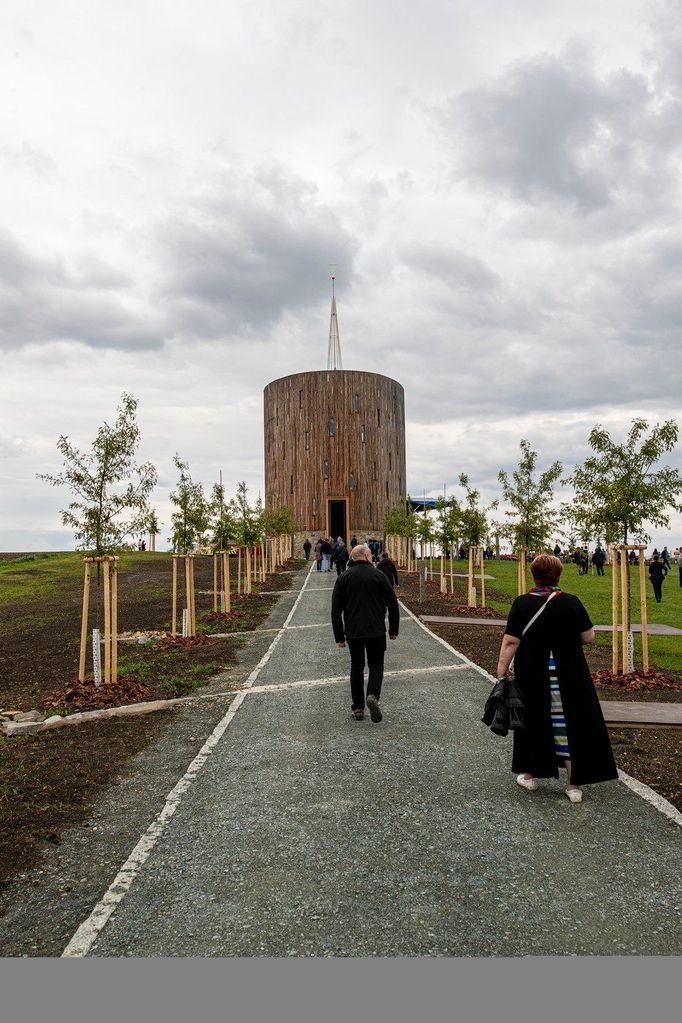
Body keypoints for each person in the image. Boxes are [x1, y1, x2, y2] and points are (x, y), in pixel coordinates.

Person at [494, 553, 617, 804]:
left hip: (533, 672)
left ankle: (530, 774)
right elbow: (588, 637)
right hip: (568, 673)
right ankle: (573, 785)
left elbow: (511, 640)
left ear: (534, 575)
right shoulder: (571, 603)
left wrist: (501, 670)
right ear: (558, 576)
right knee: (568, 721)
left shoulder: (522, 603)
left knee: (533, 719)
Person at [332, 544, 400, 723]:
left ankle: (359, 708)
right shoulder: (379, 575)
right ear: (368, 556)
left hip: (353, 631)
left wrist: (339, 636)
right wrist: (393, 629)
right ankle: (372, 695)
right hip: (376, 629)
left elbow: (335, 610)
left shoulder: (343, 578)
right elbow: (392, 603)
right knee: (376, 664)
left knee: (357, 666)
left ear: (353, 558)